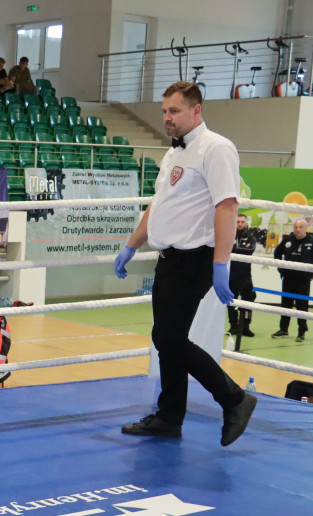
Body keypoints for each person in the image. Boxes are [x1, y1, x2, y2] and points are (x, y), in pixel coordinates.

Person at [113, 81, 255, 446]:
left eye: (174, 111)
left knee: (169, 338)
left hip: (195, 259)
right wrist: (132, 244)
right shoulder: (174, 153)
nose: (167, 118)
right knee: (167, 340)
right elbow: (159, 205)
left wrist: (221, 263)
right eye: (164, 111)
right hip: (168, 259)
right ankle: (169, 416)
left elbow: (227, 206)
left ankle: (234, 399)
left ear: (196, 110)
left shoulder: (217, 149)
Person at [271, 219, 313, 342]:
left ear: (306, 228)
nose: (298, 229)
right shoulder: (288, 240)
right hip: (288, 279)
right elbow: (277, 254)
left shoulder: (312, 241)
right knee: (285, 305)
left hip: (303, 280)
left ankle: (301, 332)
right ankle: (283, 329)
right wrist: (281, 270)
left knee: (301, 307)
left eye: (301, 227)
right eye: (296, 227)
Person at [228, 213, 257, 336]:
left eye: (242, 222)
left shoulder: (251, 237)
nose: (240, 224)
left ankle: (245, 327)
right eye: (238, 221)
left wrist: (234, 249)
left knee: (248, 303)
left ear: (246, 223)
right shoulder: (229, 235)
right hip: (231, 276)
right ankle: (233, 326)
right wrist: (238, 249)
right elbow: (226, 249)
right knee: (231, 303)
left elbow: (249, 251)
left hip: (245, 276)